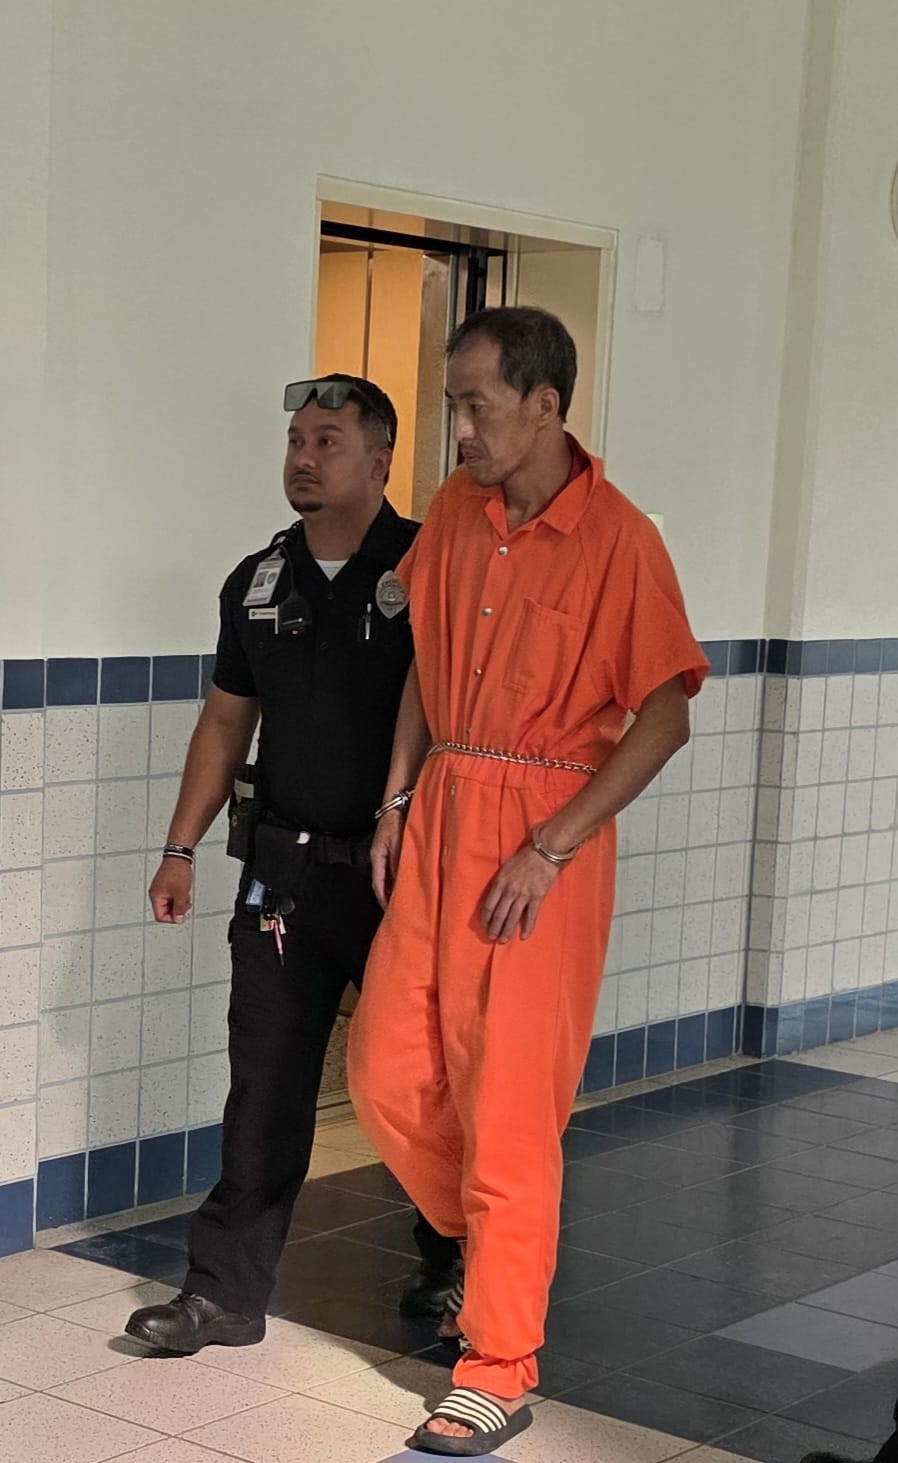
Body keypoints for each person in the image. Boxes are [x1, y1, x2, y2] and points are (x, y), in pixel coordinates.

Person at [348, 308, 709, 1456]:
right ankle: (502, 1238)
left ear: (545, 403)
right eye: (452, 403)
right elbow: (418, 662)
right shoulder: (455, 514)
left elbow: (665, 714)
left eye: (474, 405)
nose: (456, 428)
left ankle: (497, 1362)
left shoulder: (620, 538)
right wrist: (398, 796)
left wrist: (552, 843)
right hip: (445, 805)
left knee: (509, 1103)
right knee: (387, 1066)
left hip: (542, 837)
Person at [125, 374, 460, 1355]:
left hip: (401, 875)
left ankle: (451, 1257)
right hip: (282, 877)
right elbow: (227, 719)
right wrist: (179, 845)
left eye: (329, 440)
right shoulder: (258, 581)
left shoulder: (431, 565)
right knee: (264, 1076)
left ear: (382, 458)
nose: (305, 458)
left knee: (415, 1077)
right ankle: (221, 1290)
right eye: (296, 441)